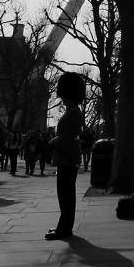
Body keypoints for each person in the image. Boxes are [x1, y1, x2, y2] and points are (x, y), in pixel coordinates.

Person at [45, 72, 85, 240]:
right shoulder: (73, 110)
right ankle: (64, 226)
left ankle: (64, 228)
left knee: (65, 195)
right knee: (66, 194)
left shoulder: (73, 112)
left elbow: (68, 136)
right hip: (68, 157)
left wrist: (54, 140)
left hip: (67, 158)